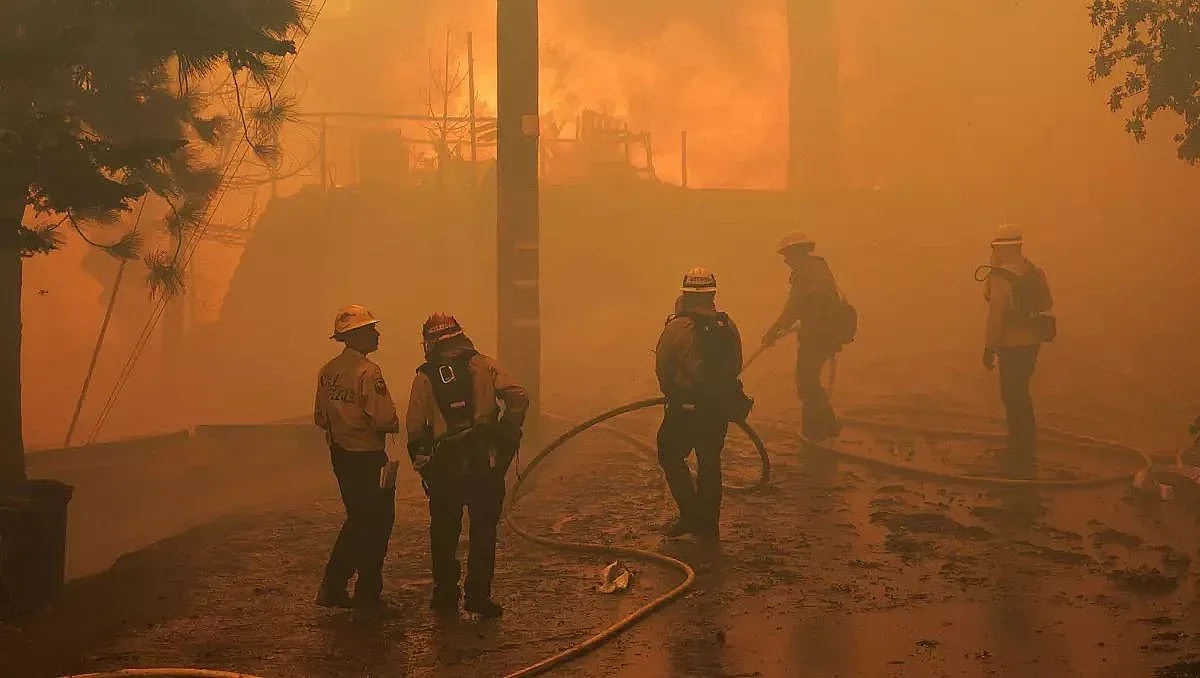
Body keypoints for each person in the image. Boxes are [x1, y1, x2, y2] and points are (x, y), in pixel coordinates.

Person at [405, 313, 528, 618]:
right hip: (484, 460)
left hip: (444, 466)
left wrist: (425, 466)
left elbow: (414, 428)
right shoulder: (483, 364)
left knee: (444, 532)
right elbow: (518, 396)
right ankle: (478, 597)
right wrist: (506, 433)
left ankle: (445, 595)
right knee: (483, 531)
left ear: (430, 342)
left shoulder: (424, 377)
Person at [313, 304, 400, 609]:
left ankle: (337, 586)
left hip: (341, 455)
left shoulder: (327, 372)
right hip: (368, 456)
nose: (376, 334)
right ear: (358, 336)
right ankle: (365, 593)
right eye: (371, 329)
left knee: (358, 519)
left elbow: (320, 418)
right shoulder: (368, 372)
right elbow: (385, 419)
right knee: (377, 522)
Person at [655, 267, 749, 540]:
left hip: (684, 408)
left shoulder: (677, 327)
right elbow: (735, 365)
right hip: (716, 409)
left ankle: (691, 515)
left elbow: (663, 367)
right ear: (713, 293)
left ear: (685, 293)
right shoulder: (727, 325)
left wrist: (673, 392)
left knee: (669, 454)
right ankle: (709, 525)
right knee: (710, 463)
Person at [761, 231, 848, 442]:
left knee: (806, 383)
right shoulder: (819, 269)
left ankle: (821, 430)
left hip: (817, 337)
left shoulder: (806, 274)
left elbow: (793, 308)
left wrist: (772, 332)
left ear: (797, 253)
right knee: (809, 382)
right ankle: (824, 426)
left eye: (788, 256)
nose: (786, 261)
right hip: (825, 335)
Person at [981, 224, 1054, 466]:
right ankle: (1026, 442)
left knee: (1011, 395)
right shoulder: (1031, 270)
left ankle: (1019, 450)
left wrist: (989, 349)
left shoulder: (1000, 278)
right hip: (1032, 342)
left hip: (1011, 345)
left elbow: (996, 319)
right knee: (1021, 392)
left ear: (1001, 249)